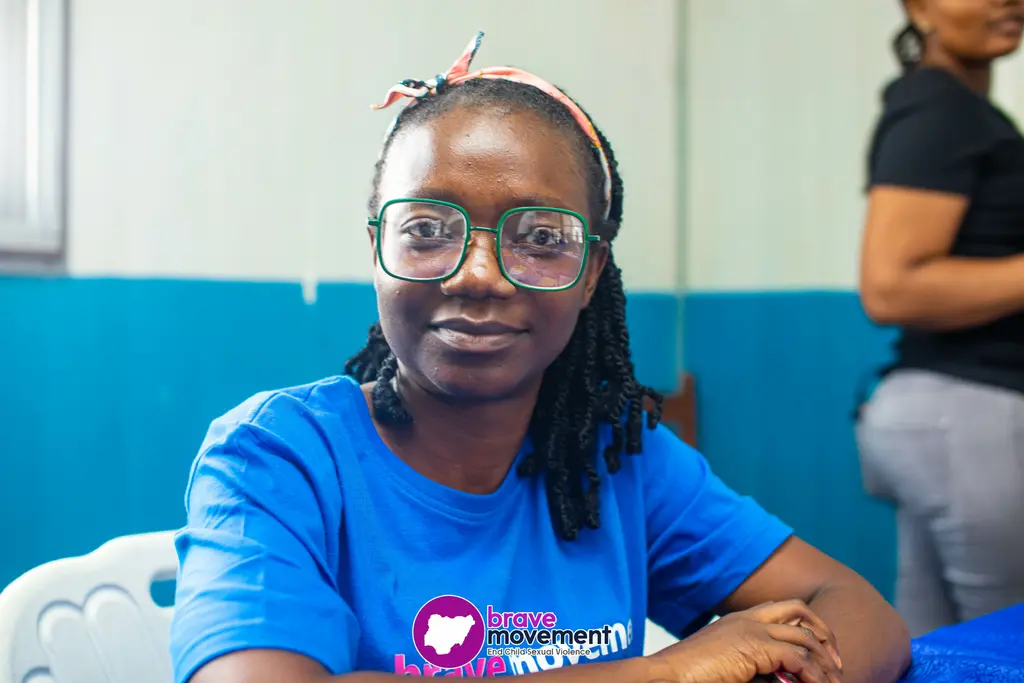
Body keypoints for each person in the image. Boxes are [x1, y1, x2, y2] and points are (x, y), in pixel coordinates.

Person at [170, 32, 910, 683]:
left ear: (591, 274)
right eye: (427, 226)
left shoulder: (617, 458)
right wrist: (661, 674)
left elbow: (858, 609)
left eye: (542, 238)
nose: (478, 274)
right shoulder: (277, 455)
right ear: (376, 250)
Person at [856, 0, 1024, 638]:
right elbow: (892, 287)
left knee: (936, 651)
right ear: (918, 8)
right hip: (971, 417)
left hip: (943, 419)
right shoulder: (942, 110)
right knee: (1007, 646)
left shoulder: (954, 110)